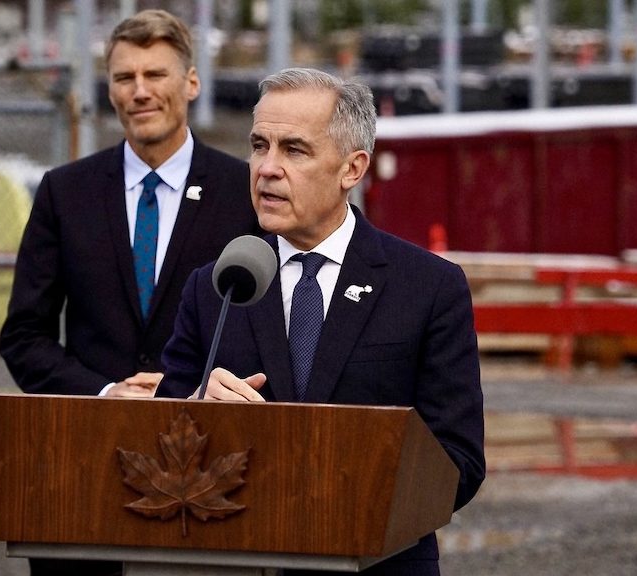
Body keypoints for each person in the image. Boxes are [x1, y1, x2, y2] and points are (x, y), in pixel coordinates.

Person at [156, 67, 485, 575]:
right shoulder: (216, 285)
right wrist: (196, 409)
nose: (267, 168)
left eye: (294, 150)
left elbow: (458, 460)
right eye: (259, 146)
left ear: (352, 168)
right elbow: (158, 440)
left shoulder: (428, 287)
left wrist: (340, 488)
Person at [0, 9, 259, 576]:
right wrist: (105, 392)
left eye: (155, 74)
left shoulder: (245, 192)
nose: (140, 91)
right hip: (85, 472)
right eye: (124, 77)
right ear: (110, 90)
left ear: (191, 82)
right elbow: (23, 337)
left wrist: (201, 391)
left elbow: (273, 325)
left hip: (209, 473)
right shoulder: (64, 193)